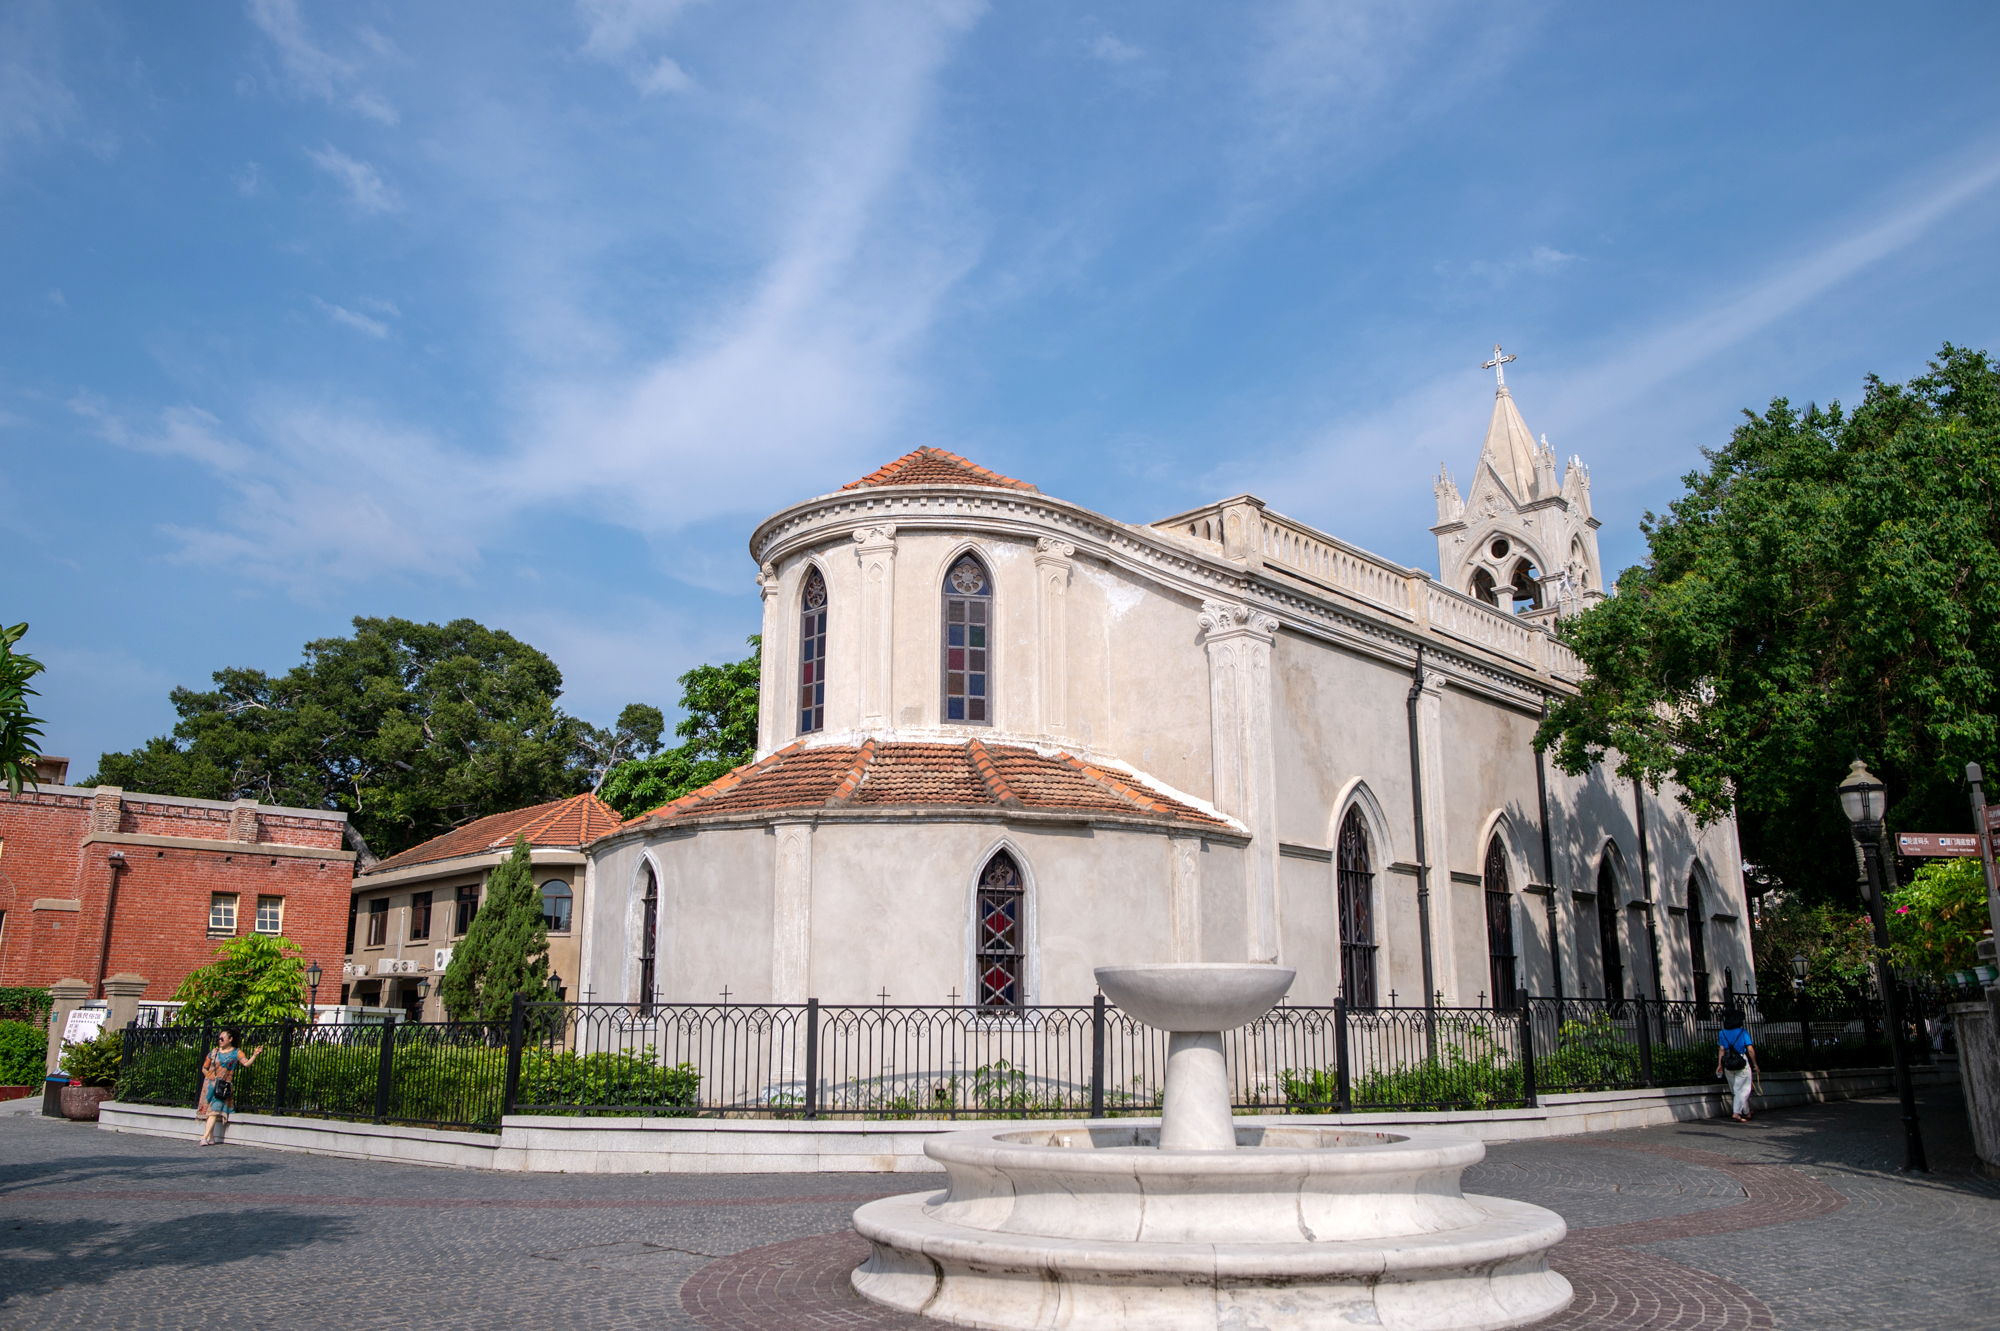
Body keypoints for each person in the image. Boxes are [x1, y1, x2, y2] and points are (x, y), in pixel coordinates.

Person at [196, 1028, 264, 1147]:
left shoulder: (236, 1052)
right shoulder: (214, 1052)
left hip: (223, 1087)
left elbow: (246, 1064)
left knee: (214, 1110)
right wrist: (210, 1078)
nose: (220, 1041)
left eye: (222, 1038)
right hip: (210, 1086)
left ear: (230, 1039)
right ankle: (211, 1137)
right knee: (209, 1112)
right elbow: (204, 1067)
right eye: (219, 1038)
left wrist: (255, 1055)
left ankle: (204, 1137)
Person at [1714, 1008, 1758, 1123]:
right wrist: (1755, 1064)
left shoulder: (1722, 1033)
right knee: (1745, 1089)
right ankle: (1736, 1113)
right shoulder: (1743, 1032)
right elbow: (1750, 1049)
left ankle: (1747, 1112)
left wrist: (1720, 1065)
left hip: (1728, 1062)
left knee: (1736, 1090)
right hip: (1741, 1060)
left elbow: (1721, 1049)